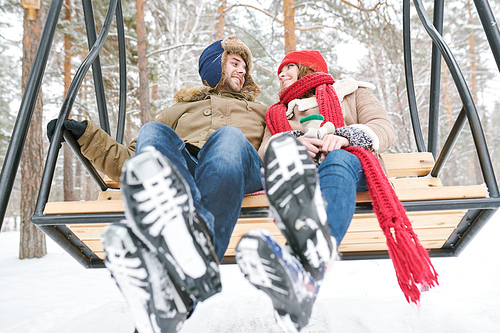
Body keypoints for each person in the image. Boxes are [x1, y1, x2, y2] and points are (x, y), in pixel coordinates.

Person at [47, 36, 267, 333]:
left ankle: (187, 240)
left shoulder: (261, 111)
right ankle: (175, 285)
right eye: (235, 63)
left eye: (245, 67)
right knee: (152, 131)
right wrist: (86, 136)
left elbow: (282, 145)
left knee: (227, 138)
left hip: (238, 164)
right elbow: (135, 160)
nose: (243, 72)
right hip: (186, 171)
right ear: (216, 64)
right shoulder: (178, 111)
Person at [235, 50, 437, 333]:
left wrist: (343, 136)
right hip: (301, 176)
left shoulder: (351, 93)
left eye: (288, 67)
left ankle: (306, 270)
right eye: (279, 71)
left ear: (308, 68)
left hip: (349, 165)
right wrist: (293, 140)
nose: (280, 74)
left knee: (338, 160)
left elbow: (383, 129)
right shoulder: (277, 113)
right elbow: (264, 152)